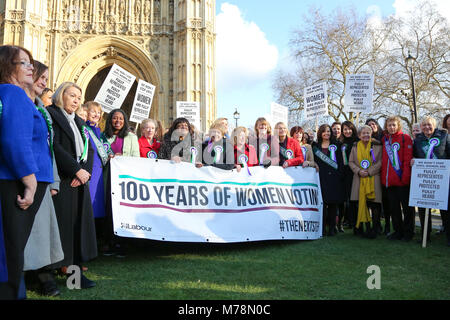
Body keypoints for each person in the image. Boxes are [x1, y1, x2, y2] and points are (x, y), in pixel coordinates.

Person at [0, 45, 53, 299]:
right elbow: (14, 140)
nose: (31, 67)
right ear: (8, 67)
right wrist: (30, 182)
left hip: (16, 179)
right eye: (24, 63)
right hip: (17, 182)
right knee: (12, 249)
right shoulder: (13, 93)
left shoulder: (12, 94)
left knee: (12, 247)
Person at [47, 81, 97, 288]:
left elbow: (89, 149)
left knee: (77, 230)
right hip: (62, 180)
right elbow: (54, 146)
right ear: (61, 95)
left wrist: (85, 173)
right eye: (72, 95)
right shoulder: (51, 115)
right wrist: (75, 170)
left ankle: (75, 278)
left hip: (79, 182)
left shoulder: (79, 121)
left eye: (79, 97)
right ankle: (47, 276)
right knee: (59, 229)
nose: (76, 100)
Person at [22, 60, 64, 297]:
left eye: (47, 79)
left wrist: (54, 179)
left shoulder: (41, 109)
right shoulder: (21, 104)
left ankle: (42, 276)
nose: (44, 82)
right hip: (25, 177)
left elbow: (47, 147)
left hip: (43, 177)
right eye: (40, 76)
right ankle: (33, 277)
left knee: (42, 232)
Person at [412, 116, 450, 246]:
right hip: (424, 178)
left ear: (434, 125)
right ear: (421, 127)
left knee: (445, 209)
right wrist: (413, 160)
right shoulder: (418, 139)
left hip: (441, 178)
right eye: (424, 125)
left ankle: (448, 236)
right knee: (423, 208)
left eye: (429, 125)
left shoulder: (444, 135)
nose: (427, 127)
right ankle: (425, 236)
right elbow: (415, 155)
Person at [381, 116, 414, 241]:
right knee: (394, 209)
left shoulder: (405, 138)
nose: (391, 127)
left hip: (402, 180)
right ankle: (398, 231)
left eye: (394, 125)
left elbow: (407, 159)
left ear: (398, 125)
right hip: (389, 181)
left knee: (407, 209)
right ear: (386, 127)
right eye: (389, 125)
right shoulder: (385, 139)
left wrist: (405, 177)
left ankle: (408, 232)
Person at [348, 125, 382, 238]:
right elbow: (351, 162)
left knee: (375, 205)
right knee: (362, 204)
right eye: (363, 133)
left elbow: (381, 161)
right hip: (359, 178)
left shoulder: (377, 145)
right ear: (359, 135)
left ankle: (375, 228)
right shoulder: (355, 146)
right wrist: (358, 171)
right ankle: (364, 228)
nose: (366, 135)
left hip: (373, 178)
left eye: (368, 133)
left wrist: (370, 171)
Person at [312, 124, 345, 236]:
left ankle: (332, 228)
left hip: (334, 178)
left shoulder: (338, 145)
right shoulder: (315, 146)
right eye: (324, 131)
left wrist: (340, 175)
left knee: (333, 205)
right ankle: (322, 228)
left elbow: (341, 162)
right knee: (323, 204)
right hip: (321, 177)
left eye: (328, 131)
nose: (327, 133)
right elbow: (312, 160)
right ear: (320, 133)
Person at [340, 121, 359, 231]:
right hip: (346, 174)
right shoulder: (341, 143)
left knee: (356, 199)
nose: (347, 131)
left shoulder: (357, 141)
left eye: (349, 129)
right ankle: (351, 221)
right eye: (345, 129)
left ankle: (358, 221)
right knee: (349, 199)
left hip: (356, 173)